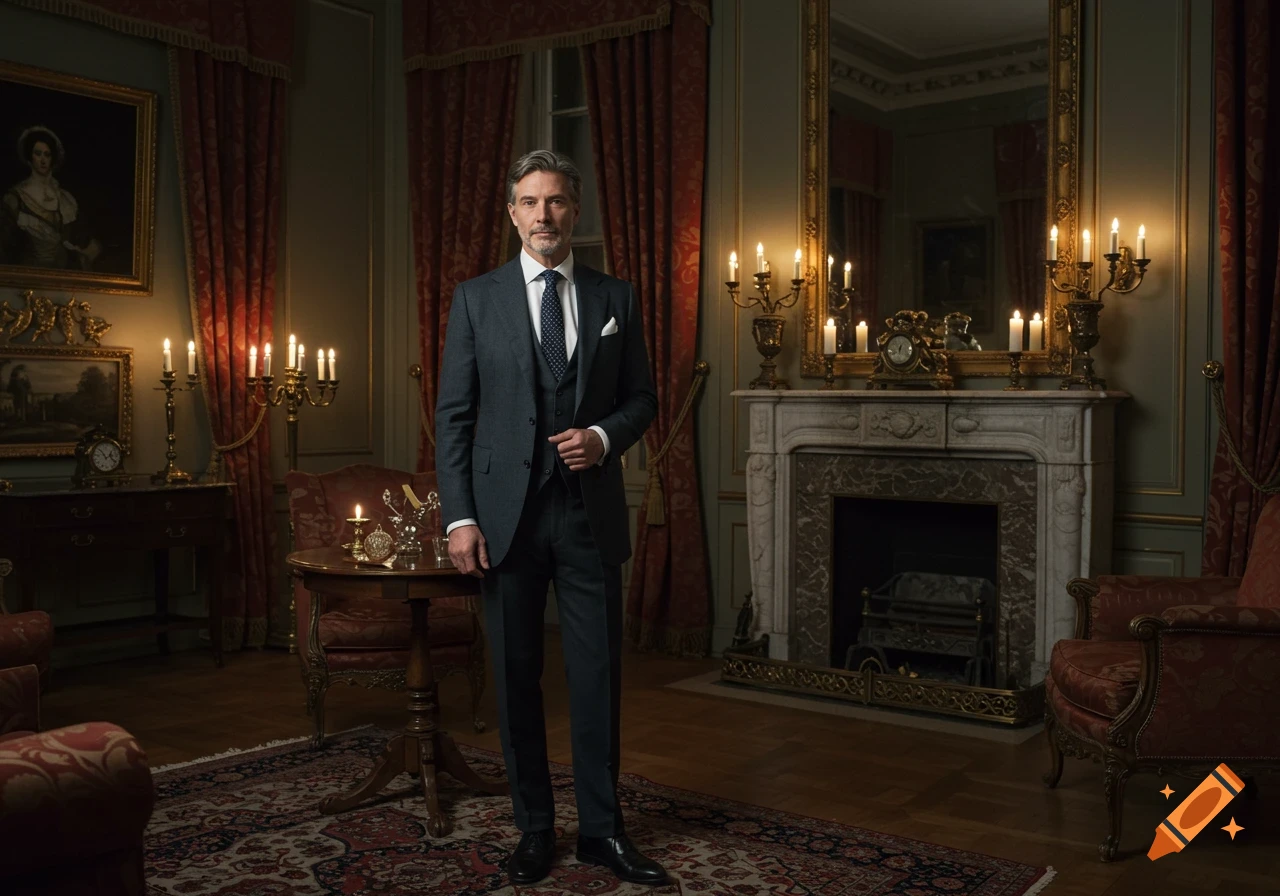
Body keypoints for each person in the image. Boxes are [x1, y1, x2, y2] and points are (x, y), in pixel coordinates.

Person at [435, 150, 664, 887]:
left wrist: (601, 438)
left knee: (596, 678)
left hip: (587, 516)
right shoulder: (476, 299)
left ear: (577, 211)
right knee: (516, 676)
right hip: (505, 522)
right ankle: (534, 827)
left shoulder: (614, 298)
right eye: (530, 202)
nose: (544, 215)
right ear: (512, 213)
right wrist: (460, 517)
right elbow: (455, 419)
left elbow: (642, 400)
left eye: (558, 202)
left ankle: (602, 832)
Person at [0, 126, 100, 269]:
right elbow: (6, 246)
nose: (43, 160)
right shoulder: (16, 198)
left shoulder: (65, 199)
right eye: (38, 154)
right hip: (29, 273)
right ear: (30, 156)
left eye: (47, 155)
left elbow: (80, 237)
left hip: (62, 274)